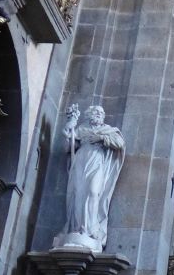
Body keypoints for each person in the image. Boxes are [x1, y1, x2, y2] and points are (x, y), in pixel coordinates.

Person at [52, 105, 126, 254]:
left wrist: (102, 138)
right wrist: (70, 131)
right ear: (89, 115)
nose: (99, 114)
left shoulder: (108, 130)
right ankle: (77, 228)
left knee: (93, 192)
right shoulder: (82, 129)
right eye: (96, 112)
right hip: (80, 160)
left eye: (101, 113)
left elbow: (120, 143)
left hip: (97, 161)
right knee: (78, 194)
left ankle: (91, 229)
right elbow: (69, 147)